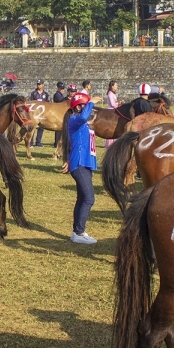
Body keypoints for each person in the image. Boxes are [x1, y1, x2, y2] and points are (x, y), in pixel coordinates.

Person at [65, 91, 98, 244]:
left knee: (82, 198)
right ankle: (79, 232)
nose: (88, 108)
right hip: (79, 164)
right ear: (78, 107)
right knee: (89, 198)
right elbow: (84, 116)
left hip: (85, 164)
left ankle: (77, 231)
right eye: (85, 106)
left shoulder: (81, 123)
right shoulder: (74, 120)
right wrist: (91, 102)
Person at [29, 80, 50, 147]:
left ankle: (38, 142)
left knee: (41, 128)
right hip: (35, 113)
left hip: (43, 113)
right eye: (38, 84)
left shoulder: (46, 94)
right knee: (32, 127)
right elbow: (30, 103)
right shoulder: (33, 93)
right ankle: (31, 142)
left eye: (40, 84)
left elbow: (48, 103)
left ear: (43, 85)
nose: (38, 85)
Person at [52, 81, 67, 149]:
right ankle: (56, 143)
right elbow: (62, 101)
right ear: (58, 88)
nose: (62, 90)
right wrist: (67, 98)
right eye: (61, 88)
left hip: (60, 112)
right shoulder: (56, 95)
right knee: (58, 129)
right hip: (57, 112)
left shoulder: (60, 94)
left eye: (63, 88)